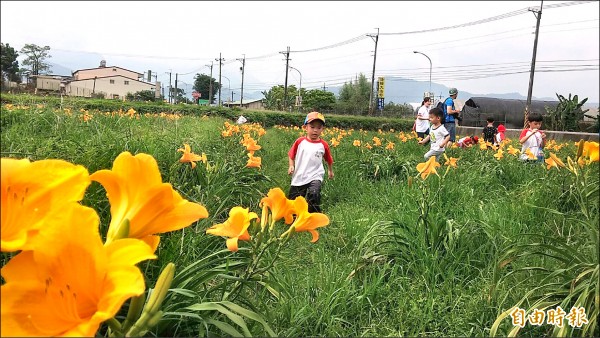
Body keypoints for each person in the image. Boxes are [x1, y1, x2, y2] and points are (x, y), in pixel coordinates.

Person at [288, 111, 334, 213]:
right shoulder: (300, 142)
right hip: (300, 175)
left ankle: (313, 216)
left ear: (323, 129)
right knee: (293, 201)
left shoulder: (323, 145)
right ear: (305, 128)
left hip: (316, 175)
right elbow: (291, 155)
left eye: (319, 128)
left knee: (314, 193)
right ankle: (294, 216)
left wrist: (330, 171)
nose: (315, 130)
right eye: (312, 127)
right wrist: (291, 166)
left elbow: (329, 159)